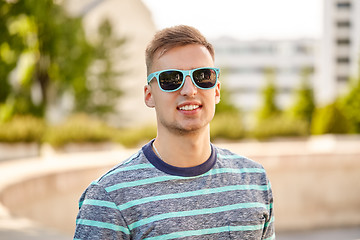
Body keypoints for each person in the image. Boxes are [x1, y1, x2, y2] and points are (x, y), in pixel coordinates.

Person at [73, 25, 275, 240]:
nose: (189, 90)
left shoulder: (255, 180)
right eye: (171, 79)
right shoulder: (109, 197)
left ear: (216, 90)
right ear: (149, 95)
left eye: (203, 76)